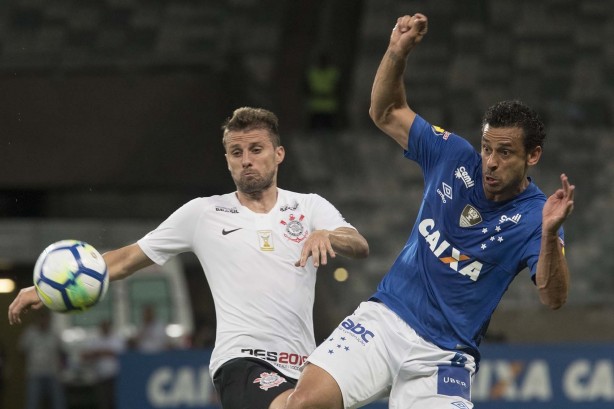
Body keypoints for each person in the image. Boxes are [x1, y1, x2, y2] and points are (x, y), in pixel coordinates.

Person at [285, 13, 574, 409]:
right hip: (384, 321)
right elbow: (386, 111)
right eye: (487, 147)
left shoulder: (536, 217)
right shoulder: (452, 154)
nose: (490, 161)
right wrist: (396, 52)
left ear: (533, 155)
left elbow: (553, 298)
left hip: (444, 356)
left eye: (505, 153)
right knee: (301, 404)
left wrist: (548, 234)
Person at [8, 106, 369, 409]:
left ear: (279, 154)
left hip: (305, 362)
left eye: (256, 149)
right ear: (227, 159)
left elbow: (358, 244)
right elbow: (128, 258)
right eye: (236, 152)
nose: (246, 161)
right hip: (241, 359)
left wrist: (327, 234)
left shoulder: (308, 207)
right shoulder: (203, 214)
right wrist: (46, 288)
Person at [18, 311, 67, 409]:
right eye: (41, 318)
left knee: (58, 403)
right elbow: (21, 352)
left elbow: (62, 352)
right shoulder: (30, 333)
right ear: (37, 319)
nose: (43, 321)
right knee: (32, 403)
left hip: (52, 373)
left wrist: (62, 368)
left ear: (49, 319)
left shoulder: (54, 333)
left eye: (45, 318)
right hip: (34, 374)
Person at [80, 320, 125, 409]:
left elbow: (118, 353)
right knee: (103, 402)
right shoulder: (95, 340)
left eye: (106, 326)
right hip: (100, 377)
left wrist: (99, 353)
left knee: (114, 401)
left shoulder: (116, 339)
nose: (104, 328)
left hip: (114, 377)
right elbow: (84, 355)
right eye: (103, 326)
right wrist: (99, 353)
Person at [305, 52, 341, 131]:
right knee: (314, 132)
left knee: (329, 132)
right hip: (315, 107)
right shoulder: (312, 73)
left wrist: (321, 94)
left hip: (330, 108)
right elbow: (306, 89)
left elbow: (339, 89)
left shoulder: (333, 73)